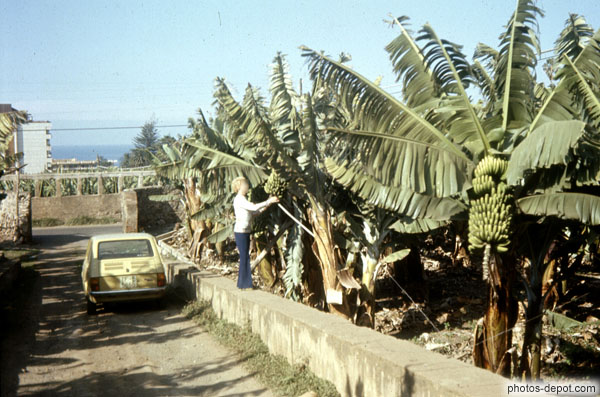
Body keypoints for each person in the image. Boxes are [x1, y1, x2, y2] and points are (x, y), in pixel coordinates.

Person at [231, 176, 279, 289]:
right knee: (244, 257)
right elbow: (253, 207)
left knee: (245, 257)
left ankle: (243, 283)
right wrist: (268, 201)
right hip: (241, 232)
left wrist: (267, 205)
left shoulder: (243, 199)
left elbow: (253, 213)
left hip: (245, 231)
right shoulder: (239, 199)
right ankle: (244, 284)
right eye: (244, 185)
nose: (247, 187)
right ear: (239, 187)